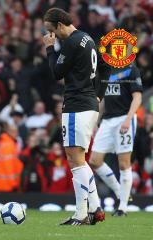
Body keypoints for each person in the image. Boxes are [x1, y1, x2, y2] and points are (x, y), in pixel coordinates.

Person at [43, 8, 110, 225]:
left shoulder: (71, 42)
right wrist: (99, 96)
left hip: (76, 105)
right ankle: (92, 209)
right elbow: (106, 68)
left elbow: (56, 73)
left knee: (75, 159)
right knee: (77, 158)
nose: (52, 35)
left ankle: (84, 212)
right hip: (89, 104)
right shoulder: (88, 38)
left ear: (60, 25)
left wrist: (50, 49)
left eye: (51, 31)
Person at [90, 64, 142, 216]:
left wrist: (128, 119)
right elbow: (104, 99)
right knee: (95, 161)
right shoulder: (107, 70)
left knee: (124, 163)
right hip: (107, 120)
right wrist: (95, 121)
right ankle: (120, 191)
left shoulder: (132, 69)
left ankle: (123, 207)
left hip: (124, 117)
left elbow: (137, 97)